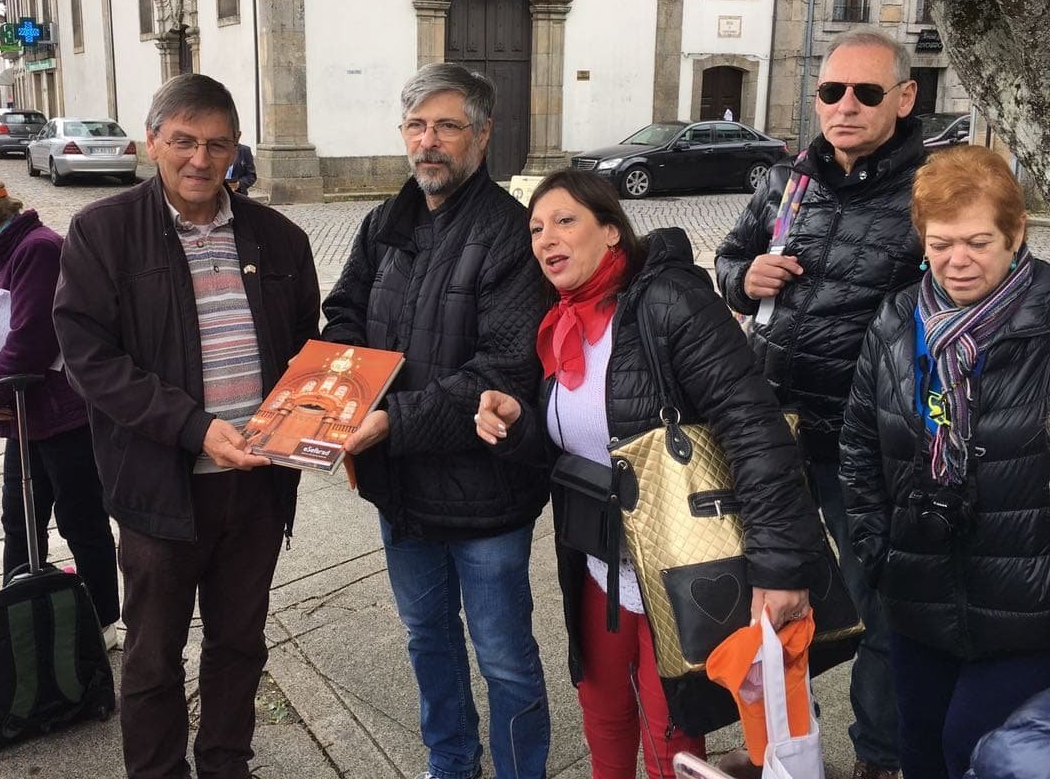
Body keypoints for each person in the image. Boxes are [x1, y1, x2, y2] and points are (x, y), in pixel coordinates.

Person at [475, 169, 823, 778]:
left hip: (683, 565)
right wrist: (519, 424)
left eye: (565, 221)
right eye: (535, 228)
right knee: (603, 709)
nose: (546, 239)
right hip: (597, 562)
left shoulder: (668, 300)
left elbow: (754, 427)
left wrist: (779, 564)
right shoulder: (558, 324)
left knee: (672, 730)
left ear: (611, 231)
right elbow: (572, 445)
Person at [53, 74, 320, 779]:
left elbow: (304, 352)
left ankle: (226, 762)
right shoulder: (102, 231)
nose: (200, 159)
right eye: (184, 142)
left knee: (239, 643)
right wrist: (194, 428)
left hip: (256, 488)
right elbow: (88, 358)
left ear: (235, 151)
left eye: (218, 144)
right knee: (152, 653)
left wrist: (318, 419)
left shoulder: (281, 238)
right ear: (153, 142)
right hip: (159, 489)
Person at [321, 62, 551, 779]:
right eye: (417, 126)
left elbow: (504, 368)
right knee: (427, 639)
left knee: (504, 655)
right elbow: (344, 317)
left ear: (481, 138)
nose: (430, 141)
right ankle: (451, 763)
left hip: (486, 496)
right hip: (402, 490)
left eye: (447, 126)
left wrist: (389, 420)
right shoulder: (382, 224)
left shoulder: (511, 233)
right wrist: (329, 397)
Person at [716, 27, 926, 779]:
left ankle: (881, 756)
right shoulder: (787, 180)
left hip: (866, 438)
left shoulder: (929, 190)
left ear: (903, 99)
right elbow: (730, 256)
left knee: (878, 603)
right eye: (831, 91)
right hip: (774, 426)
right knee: (768, 597)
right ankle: (779, 747)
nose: (845, 105)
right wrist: (746, 278)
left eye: (866, 93)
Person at [841, 145, 1050, 779]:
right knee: (922, 751)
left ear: (1016, 232)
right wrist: (879, 551)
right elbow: (859, 448)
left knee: (978, 749)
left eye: (978, 242)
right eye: (940, 244)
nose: (957, 261)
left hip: (1027, 605)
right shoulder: (898, 319)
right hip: (919, 592)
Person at [0, 175, 120, 645]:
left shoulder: (38, 250)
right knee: (19, 523)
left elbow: (29, 342)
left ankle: (102, 622)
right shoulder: (9, 256)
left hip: (63, 418)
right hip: (28, 421)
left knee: (82, 522)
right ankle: (15, 623)